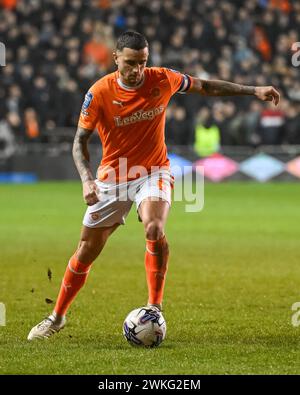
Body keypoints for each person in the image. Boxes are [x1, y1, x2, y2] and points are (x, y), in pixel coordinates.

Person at [27, 31, 280, 340]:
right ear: (116, 58)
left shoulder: (162, 79)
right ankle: (57, 317)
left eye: (143, 63)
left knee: (153, 228)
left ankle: (154, 307)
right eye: (131, 63)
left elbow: (206, 87)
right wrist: (86, 179)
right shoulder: (99, 92)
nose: (137, 70)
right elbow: (80, 141)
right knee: (85, 252)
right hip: (113, 177)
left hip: (154, 172)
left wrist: (254, 91)